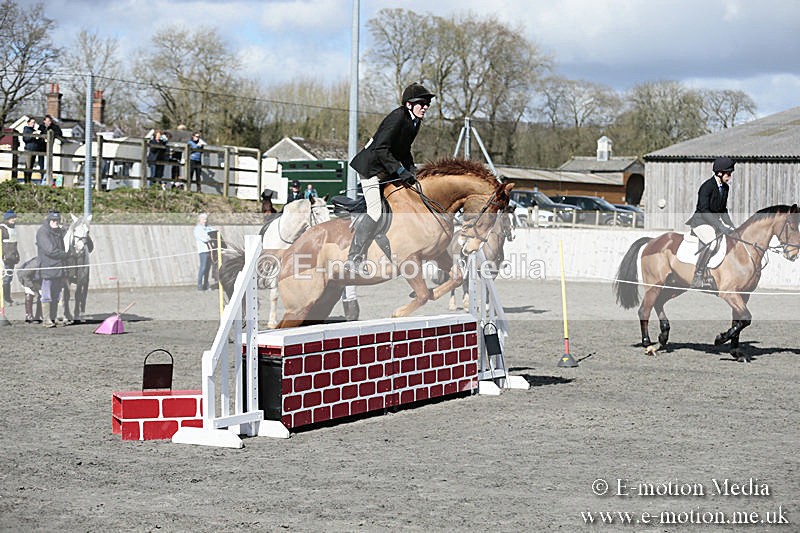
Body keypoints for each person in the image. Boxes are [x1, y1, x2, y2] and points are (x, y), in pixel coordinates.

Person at [346, 82, 435, 271]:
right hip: (370, 168)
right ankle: (353, 257)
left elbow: (404, 150)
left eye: (427, 103)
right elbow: (380, 148)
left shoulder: (415, 121)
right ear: (409, 104)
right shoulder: (397, 117)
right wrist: (399, 170)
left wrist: (412, 171)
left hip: (386, 168)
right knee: (375, 211)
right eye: (422, 103)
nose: (425, 106)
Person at [685, 156, 736, 290]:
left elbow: (723, 209)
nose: (730, 176)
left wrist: (731, 226)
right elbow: (704, 210)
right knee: (712, 242)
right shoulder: (706, 187)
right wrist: (720, 226)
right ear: (719, 173)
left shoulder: (725, 188)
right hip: (700, 222)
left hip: (713, 223)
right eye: (728, 173)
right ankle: (698, 275)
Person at [36, 210, 69, 327]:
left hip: (59, 269)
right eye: (53, 220)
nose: (55, 222)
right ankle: (46, 319)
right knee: (46, 295)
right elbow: (50, 250)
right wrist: (66, 255)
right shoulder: (43, 232)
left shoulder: (58, 232)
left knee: (57, 295)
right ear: (49, 220)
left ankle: (54, 317)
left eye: (57, 220)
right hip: (48, 268)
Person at [1, 210, 20, 306]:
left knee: (8, 279)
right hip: (4, 259)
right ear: (7, 219)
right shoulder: (2, 229)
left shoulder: (13, 229)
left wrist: (17, 255)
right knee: (6, 279)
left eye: (14, 217)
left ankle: (7, 299)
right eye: (12, 218)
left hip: (11, 258)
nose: (14, 219)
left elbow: (14, 245)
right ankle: (6, 300)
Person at [17, 256, 42, 323]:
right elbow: (24, 275)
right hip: (25, 278)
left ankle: (38, 316)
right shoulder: (35, 263)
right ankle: (29, 316)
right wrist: (32, 288)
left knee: (41, 294)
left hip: (36, 279)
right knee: (30, 292)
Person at [194, 213, 214, 291]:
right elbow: (205, 238)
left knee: (208, 268)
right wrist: (209, 237)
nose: (205, 220)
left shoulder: (208, 228)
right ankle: (199, 285)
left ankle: (206, 284)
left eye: (206, 219)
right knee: (203, 267)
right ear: (200, 220)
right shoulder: (197, 229)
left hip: (210, 250)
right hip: (203, 251)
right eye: (203, 219)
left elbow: (214, 233)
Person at [22, 117, 45, 184]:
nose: (33, 124)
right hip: (29, 150)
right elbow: (25, 139)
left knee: (31, 166)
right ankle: (26, 181)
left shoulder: (33, 130)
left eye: (34, 122)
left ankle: (29, 180)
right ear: (28, 123)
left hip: (34, 150)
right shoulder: (26, 129)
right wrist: (33, 135)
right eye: (32, 122)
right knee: (28, 166)